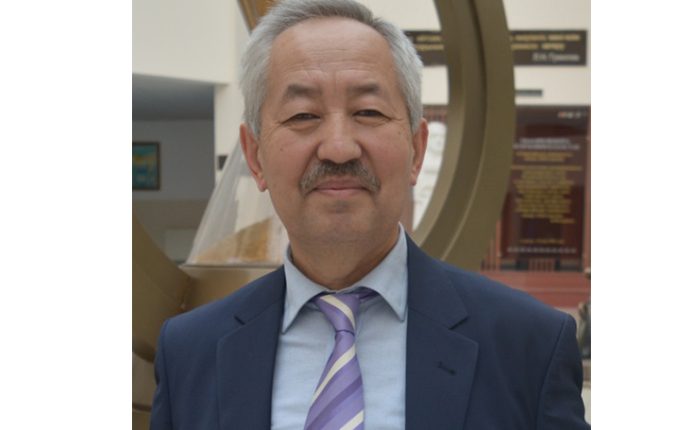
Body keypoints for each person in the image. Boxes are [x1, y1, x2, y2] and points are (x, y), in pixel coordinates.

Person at [150, 0, 589, 429]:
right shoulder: (190, 353)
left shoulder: (527, 345)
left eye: (368, 112)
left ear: (416, 148)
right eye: (303, 115)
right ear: (255, 156)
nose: (339, 148)